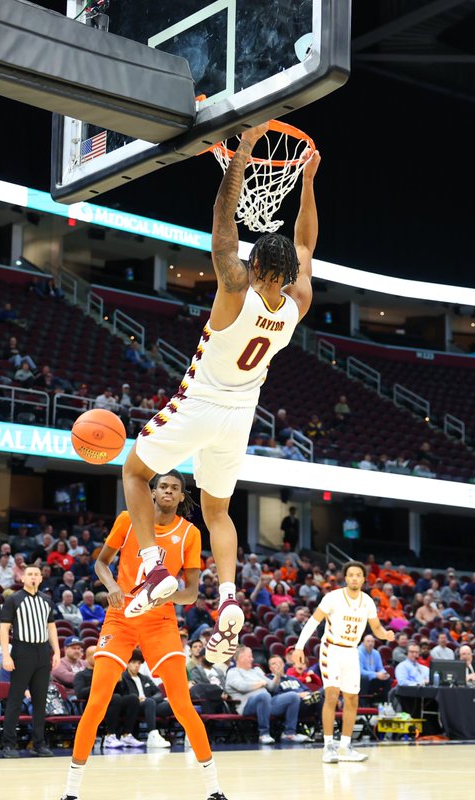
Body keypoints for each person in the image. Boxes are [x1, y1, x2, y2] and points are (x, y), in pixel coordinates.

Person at [122, 123, 320, 673]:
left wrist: (245, 154)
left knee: (134, 474)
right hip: (241, 415)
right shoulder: (296, 303)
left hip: (201, 402)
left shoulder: (234, 290)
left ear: (255, 267)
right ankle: (228, 593)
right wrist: (305, 182)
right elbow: (305, 242)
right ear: (290, 274)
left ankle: (153, 566)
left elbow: (222, 222)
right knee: (216, 509)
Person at [59, 470, 226, 800]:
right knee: (97, 702)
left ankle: (214, 789)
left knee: (182, 704)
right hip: (120, 619)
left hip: (160, 622)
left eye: (175, 488)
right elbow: (102, 564)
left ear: (181, 497)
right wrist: (111, 588)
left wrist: (166, 595)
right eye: (162, 485)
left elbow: (191, 593)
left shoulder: (190, 533)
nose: (167, 491)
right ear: (151, 492)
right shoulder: (127, 519)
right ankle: (71, 792)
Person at [291, 560, 395, 763]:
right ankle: (328, 746)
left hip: (351, 652)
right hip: (331, 649)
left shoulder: (367, 601)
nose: (355, 578)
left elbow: (376, 628)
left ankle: (345, 746)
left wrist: (386, 635)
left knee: (352, 699)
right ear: (346, 578)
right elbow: (313, 621)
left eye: (359, 575)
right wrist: (299, 646)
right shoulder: (333, 597)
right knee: (331, 696)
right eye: (351, 575)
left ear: (364, 579)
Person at [0, 564, 61, 758]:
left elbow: (51, 628)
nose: (33, 577)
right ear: (23, 578)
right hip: (22, 650)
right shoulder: (13, 599)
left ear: (41, 578)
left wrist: (57, 652)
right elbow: (3, 628)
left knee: (40, 701)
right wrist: (6, 655)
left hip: (42, 652)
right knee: (16, 699)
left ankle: (39, 743)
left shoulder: (46, 600)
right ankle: (9, 744)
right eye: (30, 574)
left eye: (36, 574)